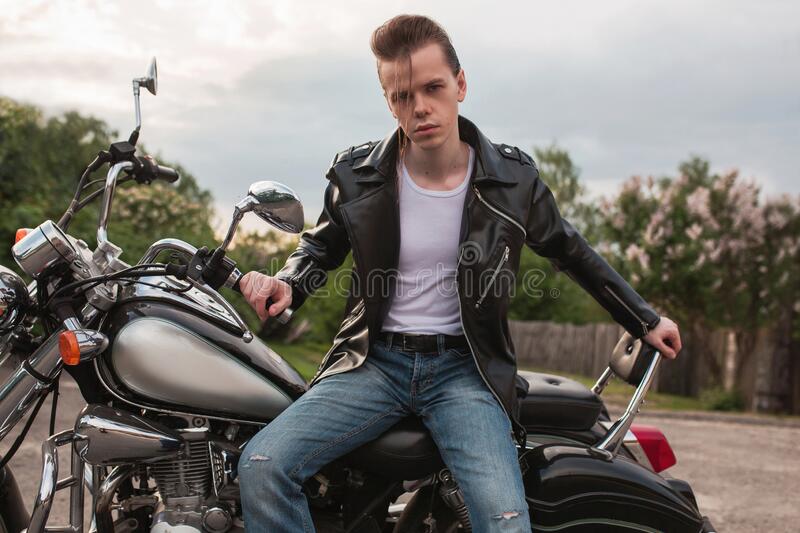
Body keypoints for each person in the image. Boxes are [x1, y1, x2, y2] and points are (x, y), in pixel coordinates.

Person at [236, 14, 682, 533]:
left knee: (505, 523)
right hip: (373, 363)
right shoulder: (357, 177)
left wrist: (644, 319)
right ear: (389, 102)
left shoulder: (512, 180)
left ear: (460, 85)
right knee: (263, 465)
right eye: (403, 96)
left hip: (465, 371)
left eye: (433, 88)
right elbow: (319, 247)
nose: (420, 107)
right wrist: (287, 283)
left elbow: (570, 249)